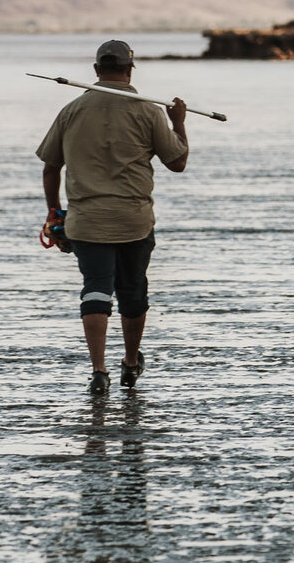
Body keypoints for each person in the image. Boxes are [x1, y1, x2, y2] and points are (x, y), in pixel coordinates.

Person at [36, 39, 190, 394]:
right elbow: (177, 162)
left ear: (95, 71)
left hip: (86, 222)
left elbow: (50, 167)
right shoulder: (149, 112)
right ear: (130, 69)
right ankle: (131, 363)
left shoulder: (71, 110)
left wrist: (53, 211)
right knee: (133, 293)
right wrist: (178, 123)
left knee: (96, 290)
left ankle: (99, 370)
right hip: (133, 221)